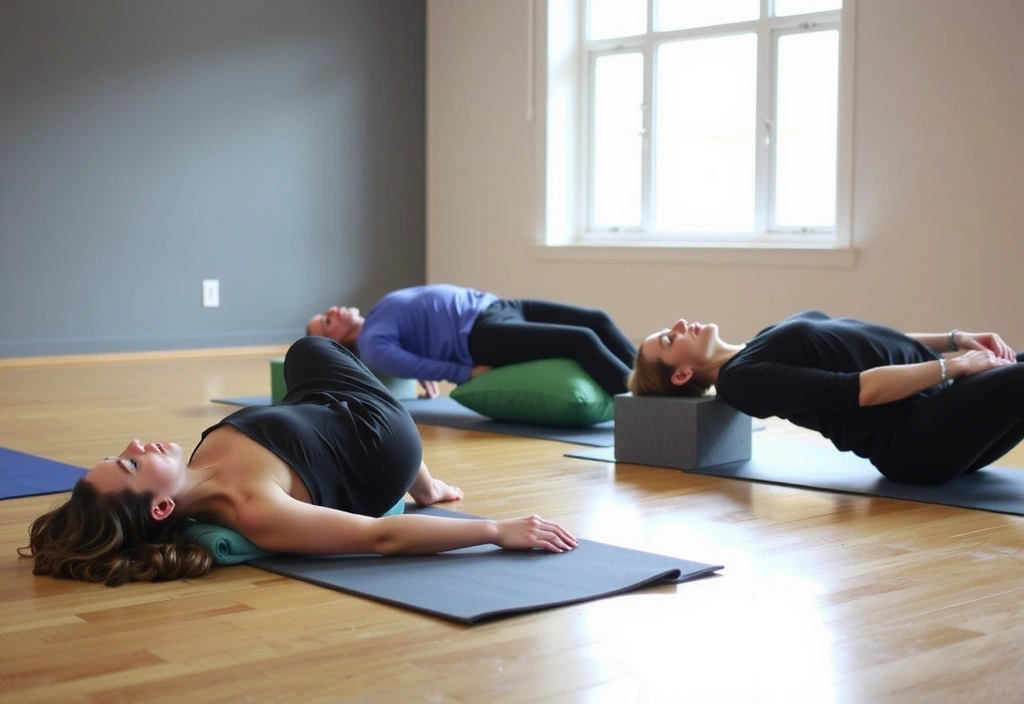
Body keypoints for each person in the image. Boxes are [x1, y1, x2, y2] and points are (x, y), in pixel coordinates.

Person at [20, 336, 577, 586]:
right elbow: (379, 539)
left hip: (323, 411)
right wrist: (497, 530)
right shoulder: (255, 511)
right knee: (314, 351)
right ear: (162, 505)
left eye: (123, 454)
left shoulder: (198, 463)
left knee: (307, 351)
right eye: (132, 466)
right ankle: (424, 484)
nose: (136, 446)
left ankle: (427, 484)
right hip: (383, 439)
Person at [628, 310, 1021, 486]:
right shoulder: (742, 381)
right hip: (913, 440)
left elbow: (870, 338)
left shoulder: (759, 343)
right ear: (681, 375)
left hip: (941, 404)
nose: (679, 325)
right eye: (669, 339)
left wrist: (955, 341)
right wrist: (957, 366)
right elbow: (859, 390)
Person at [306, 283, 637, 399]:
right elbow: (411, 363)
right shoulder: (373, 345)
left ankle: (650, 375)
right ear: (334, 341)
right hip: (481, 335)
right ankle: (641, 401)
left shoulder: (378, 318)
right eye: (326, 322)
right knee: (582, 340)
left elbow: (415, 338)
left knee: (597, 318)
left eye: (325, 313)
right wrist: (463, 373)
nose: (331, 312)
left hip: (499, 307)